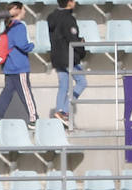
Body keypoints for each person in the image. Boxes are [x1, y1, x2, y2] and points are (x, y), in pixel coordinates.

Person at [0, 2, 37, 129]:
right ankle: (34, 119)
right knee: (26, 93)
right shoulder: (19, 26)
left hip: (8, 67)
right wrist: (32, 45)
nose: (25, 12)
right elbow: (22, 45)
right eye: (23, 9)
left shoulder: (8, 26)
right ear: (17, 10)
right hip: (19, 67)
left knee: (6, 94)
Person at [47, 0, 86, 130]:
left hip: (56, 56)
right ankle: (63, 111)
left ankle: (59, 112)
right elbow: (73, 41)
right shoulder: (69, 19)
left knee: (63, 85)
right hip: (68, 57)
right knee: (82, 82)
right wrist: (82, 47)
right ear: (69, 2)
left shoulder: (51, 17)